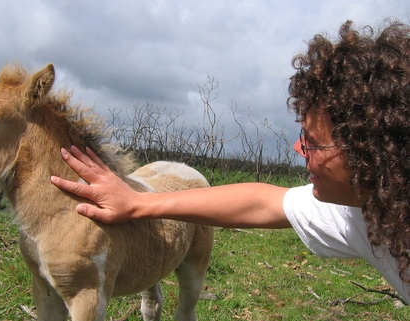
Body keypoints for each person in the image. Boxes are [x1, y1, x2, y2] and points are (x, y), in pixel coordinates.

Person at [50, 19, 410, 304]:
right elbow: (262, 202)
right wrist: (137, 203)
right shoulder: (363, 211)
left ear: (373, 153)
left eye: (314, 144)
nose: (299, 151)